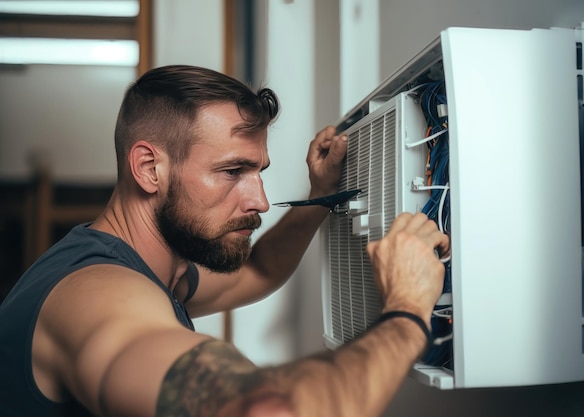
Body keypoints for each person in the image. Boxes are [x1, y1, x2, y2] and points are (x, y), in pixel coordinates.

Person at [0, 65, 449, 417]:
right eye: (232, 172)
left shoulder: (153, 267)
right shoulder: (96, 294)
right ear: (149, 168)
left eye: (259, 172)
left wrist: (319, 197)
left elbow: (257, 270)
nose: (260, 200)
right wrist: (407, 308)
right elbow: (264, 410)